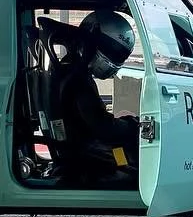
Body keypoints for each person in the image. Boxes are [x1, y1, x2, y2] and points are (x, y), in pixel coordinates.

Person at [59, 10, 140, 175]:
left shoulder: (71, 70)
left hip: (87, 147)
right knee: (134, 154)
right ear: (92, 43)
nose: (115, 61)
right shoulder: (78, 79)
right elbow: (103, 127)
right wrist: (136, 125)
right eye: (113, 53)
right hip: (91, 155)